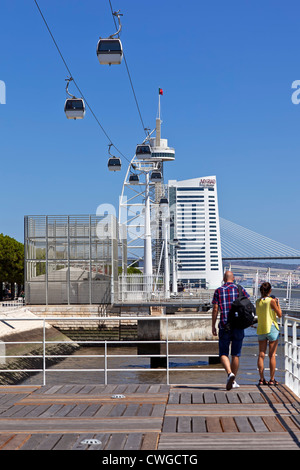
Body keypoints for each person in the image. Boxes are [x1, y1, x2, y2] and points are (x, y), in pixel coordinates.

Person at [212, 271, 250, 390]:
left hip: (224, 325)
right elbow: (247, 304)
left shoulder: (218, 291)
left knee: (223, 353)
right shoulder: (240, 289)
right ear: (233, 278)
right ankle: (233, 381)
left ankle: (230, 374)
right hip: (238, 326)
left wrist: (213, 325)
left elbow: (215, 309)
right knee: (236, 355)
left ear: (224, 278)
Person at [256, 282, 282, 386]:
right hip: (271, 328)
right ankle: (272, 379)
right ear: (270, 291)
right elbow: (279, 314)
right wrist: (277, 303)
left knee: (261, 355)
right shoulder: (271, 301)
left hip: (261, 328)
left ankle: (261, 379)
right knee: (272, 355)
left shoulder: (257, 302)